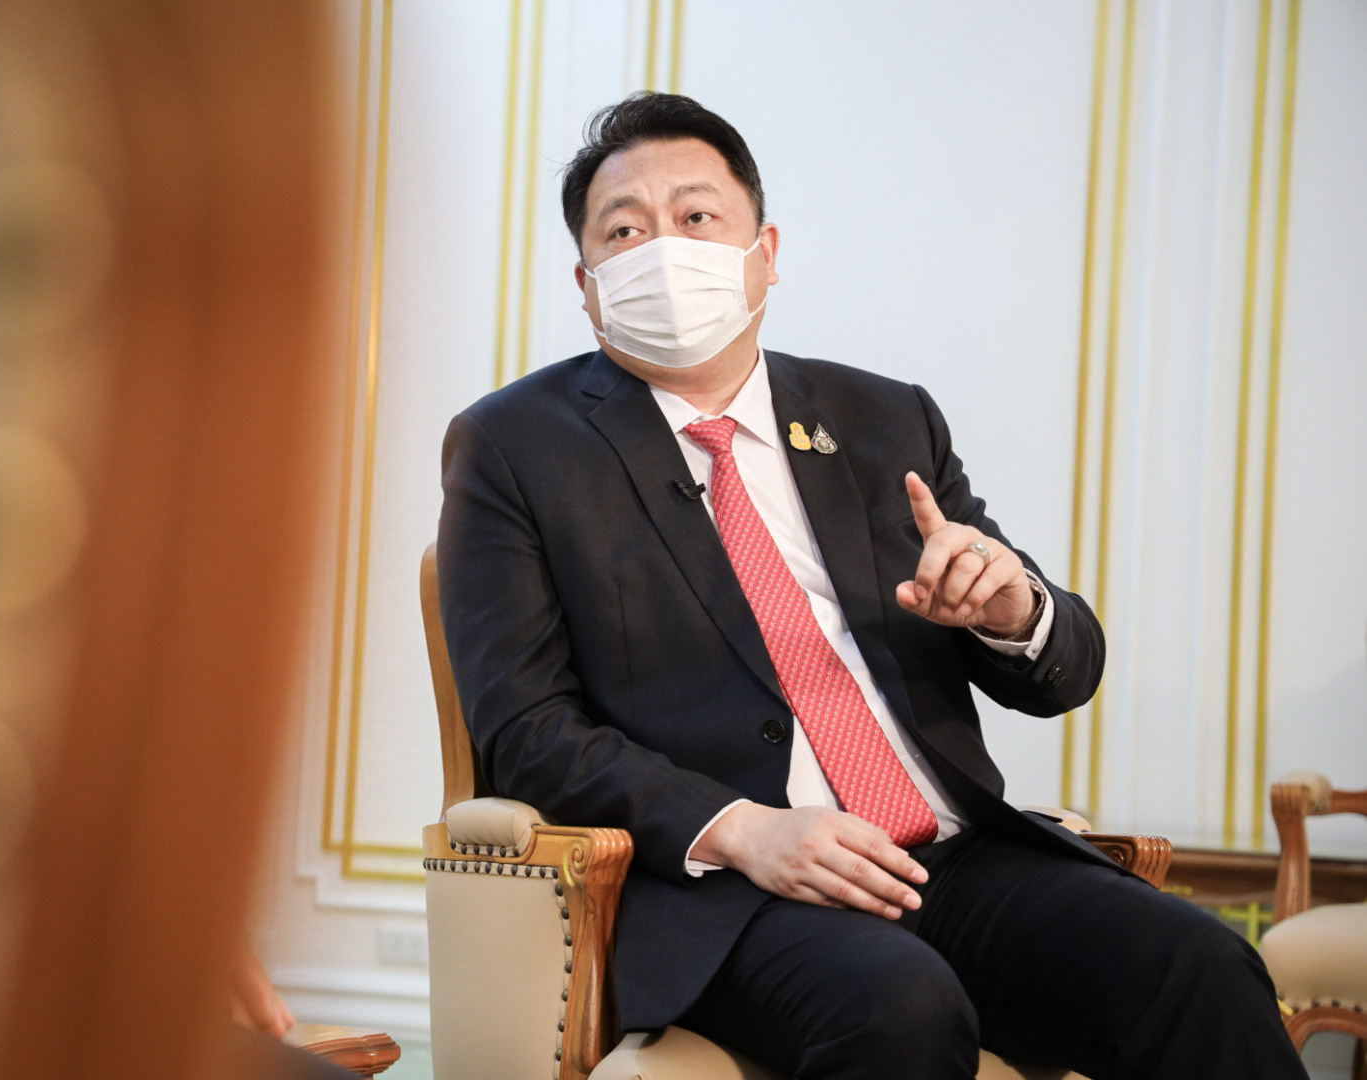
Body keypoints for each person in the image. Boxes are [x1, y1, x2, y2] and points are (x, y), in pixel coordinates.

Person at [435, 93, 1305, 1079]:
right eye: (625, 231)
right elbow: (524, 727)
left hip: (952, 857)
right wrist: (746, 832)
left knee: (1197, 964)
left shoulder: (885, 419)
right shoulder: (515, 446)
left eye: (696, 216)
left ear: (764, 252)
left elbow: (1064, 673)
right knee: (901, 1004)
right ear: (589, 286)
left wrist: (1012, 611)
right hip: (736, 893)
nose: (664, 249)